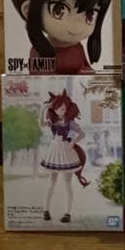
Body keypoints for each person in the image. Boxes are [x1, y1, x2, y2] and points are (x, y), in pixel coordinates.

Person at [40, 89, 88, 224]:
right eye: (59, 108)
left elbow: (82, 134)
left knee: (67, 183)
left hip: (66, 152)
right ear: (54, 109)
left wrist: (73, 142)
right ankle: (46, 210)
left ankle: (67, 212)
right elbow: (41, 124)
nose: (62, 111)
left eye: (63, 108)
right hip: (54, 151)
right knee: (51, 182)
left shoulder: (70, 122)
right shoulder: (52, 121)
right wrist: (43, 108)